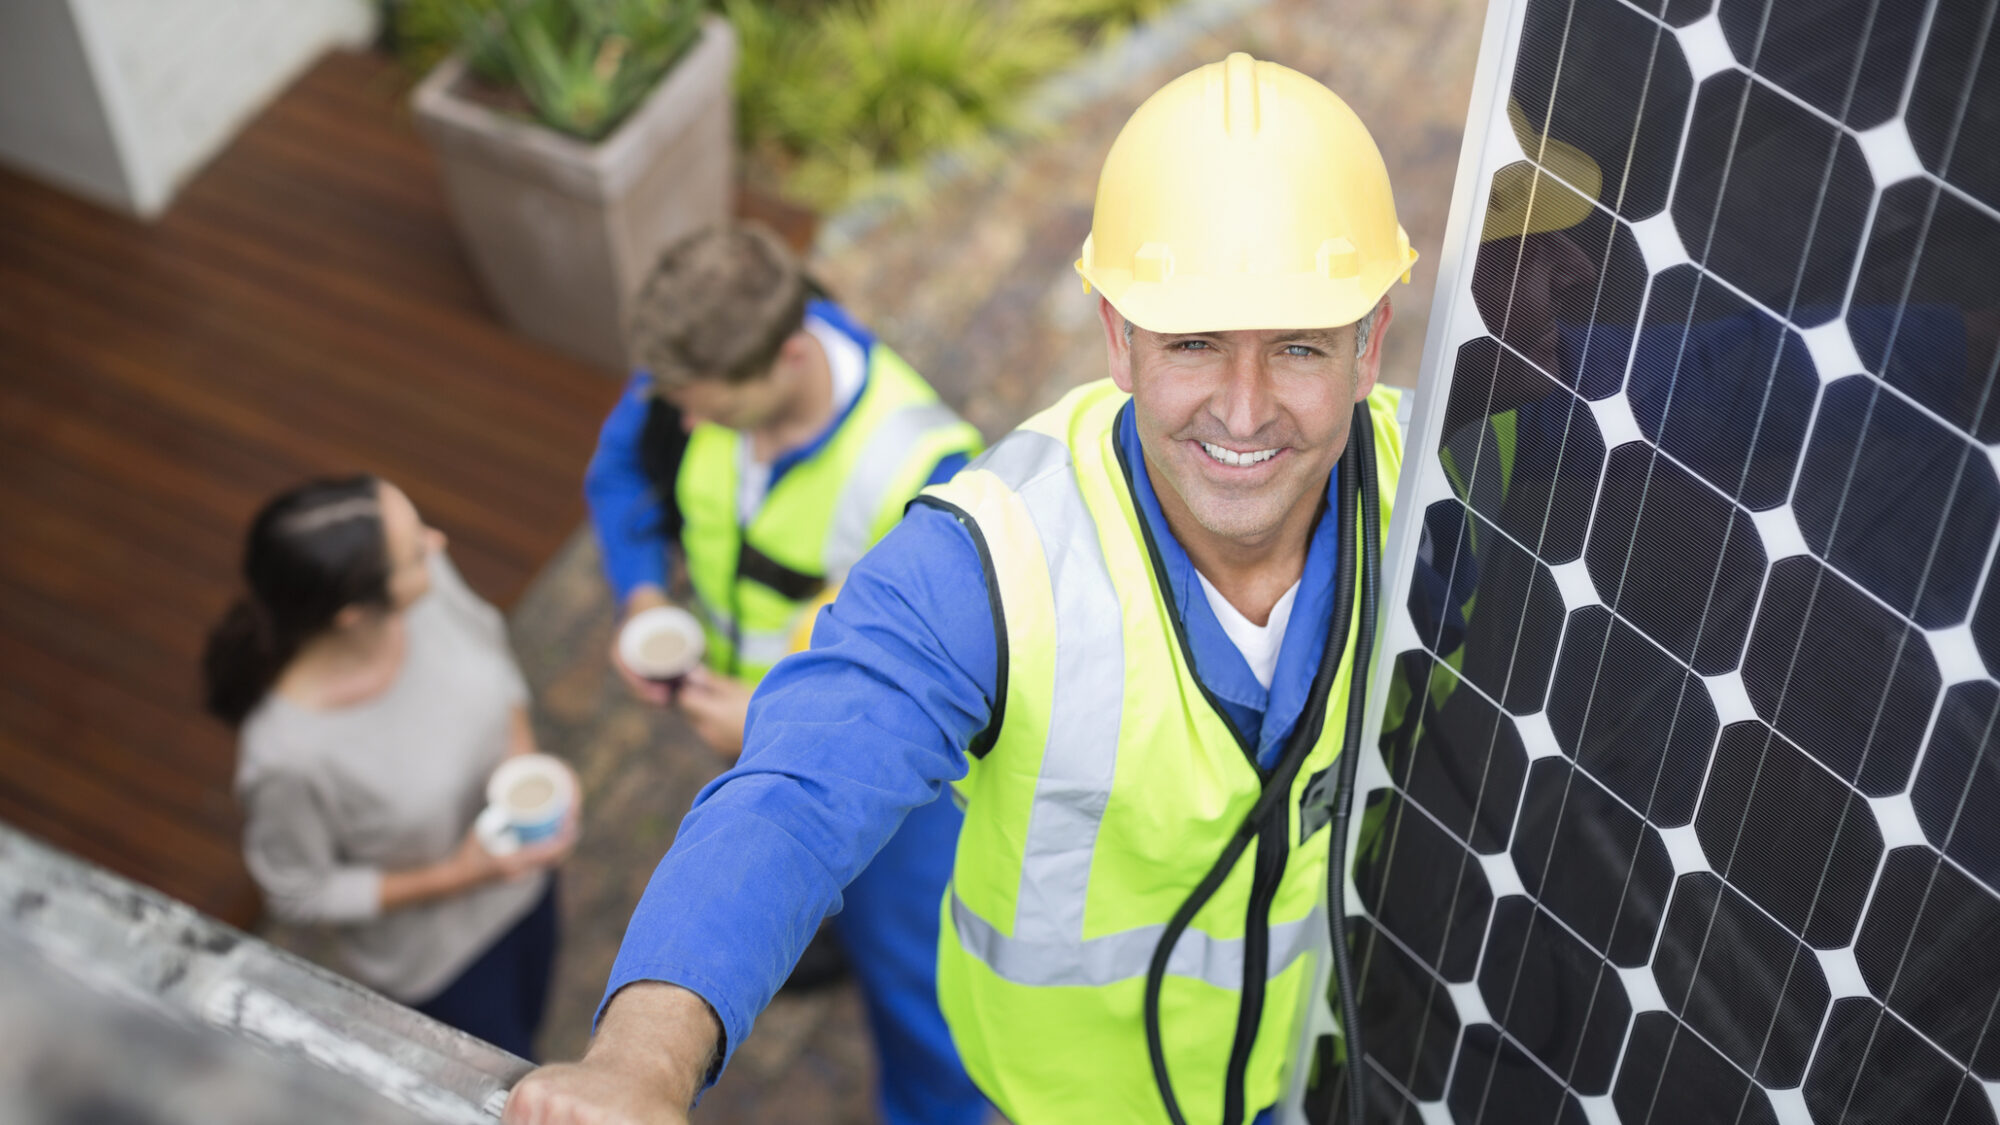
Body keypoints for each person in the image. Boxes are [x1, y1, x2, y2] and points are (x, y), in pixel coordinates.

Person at [509, 54, 1416, 1125]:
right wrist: (638, 1063)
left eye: (1301, 347)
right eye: (1194, 344)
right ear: (1117, 338)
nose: (1244, 410)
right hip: (1037, 1104)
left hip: (1291, 1074)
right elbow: (794, 796)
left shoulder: (1440, 491)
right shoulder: (988, 558)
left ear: (1372, 347)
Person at [581, 222, 989, 1125]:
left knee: (921, 988)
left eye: (705, 408)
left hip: (888, 789)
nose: (681, 423)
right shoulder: (701, 361)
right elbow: (619, 476)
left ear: (791, 354)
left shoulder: (926, 468)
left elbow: (937, 683)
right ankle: (818, 933)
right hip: (742, 720)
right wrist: (643, 594)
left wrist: (771, 724)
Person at [202, 475, 578, 1061]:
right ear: (353, 614)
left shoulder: (426, 587)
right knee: (505, 1073)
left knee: (533, 1015)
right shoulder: (286, 755)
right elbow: (299, 892)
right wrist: (461, 875)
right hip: (440, 964)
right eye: (414, 551)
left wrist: (527, 767)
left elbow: (488, 643)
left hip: (525, 885)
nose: (439, 541)